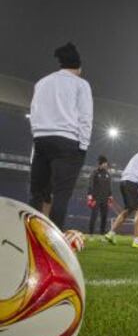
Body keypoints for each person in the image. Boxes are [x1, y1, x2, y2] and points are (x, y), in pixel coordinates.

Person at [29, 42, 93, 231]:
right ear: (78, 67)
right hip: (67, 142)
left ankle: (32, 236)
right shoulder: (81, 84)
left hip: (41, 140)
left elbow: (34, 110)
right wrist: (83, 146)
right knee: (62, 194)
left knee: (37, 194)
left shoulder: (42, 82)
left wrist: (37, 135)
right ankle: (54, 241)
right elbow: (85, 116)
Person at [88, 155, 112, 234]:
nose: (106, 165)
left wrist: (110, 196)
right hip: (96, 198)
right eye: (105, 163)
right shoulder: (95, 172)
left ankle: (102, 234)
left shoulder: (108, 174)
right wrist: (90, 196)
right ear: (101, 163)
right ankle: (91, 233)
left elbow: (109, 186)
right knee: (94, 216)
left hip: (105, 198)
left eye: (106, 163)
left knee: (104, 217)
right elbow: (90, 184)